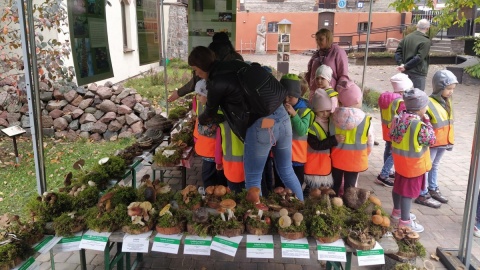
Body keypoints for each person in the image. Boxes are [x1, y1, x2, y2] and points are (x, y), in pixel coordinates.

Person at [188, 46, 304, 201]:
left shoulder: (216, 82)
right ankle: (301, 209)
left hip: (262, 124)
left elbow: (210, 112)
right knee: (286, 170)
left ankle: (257, 220)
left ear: (202, 66)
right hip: (282, 116)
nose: (196, 74)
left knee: (253, 179)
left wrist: (200, 119)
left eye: (196, 70)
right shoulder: (237, 65)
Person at [390, 88, 436, 232]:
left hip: (400, 163)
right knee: (408, 193)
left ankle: (397, 212)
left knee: (398, 187)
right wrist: (428, 122)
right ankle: (405, 222)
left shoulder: (398, 119)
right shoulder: (418, 125)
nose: (426, 108)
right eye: (425, 106)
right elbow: (431, 140)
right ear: (419, 109)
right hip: (413, 165)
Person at [415, 70, 457, 208]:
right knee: (427, 166)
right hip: (432, 142)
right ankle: (423, 192)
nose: (451, 92)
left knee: (435, 165)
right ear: (439, 87)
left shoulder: (447, 101)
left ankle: (433, 188)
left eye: (452, 89)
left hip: (443, 141)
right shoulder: (429, 102)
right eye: (448, 88)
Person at [167, 32, 243, 102]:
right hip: (237, 98)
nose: (197, 73)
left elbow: (196, 79)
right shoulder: (237, 57)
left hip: (217, 98)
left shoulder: (211, 58)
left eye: (195, 70)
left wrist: (179, 93)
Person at [330, 80, 373, 195]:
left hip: (337, 157)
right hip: (356, 160)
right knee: (350, 188)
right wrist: (366, 153)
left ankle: (331, 203)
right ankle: (347, 207)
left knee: (334, 184)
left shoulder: (333, 117)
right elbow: (370, 140)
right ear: (357, 100)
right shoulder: (365, 119)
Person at [376, 73, 412, 187]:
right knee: (394, 153)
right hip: (395, 132)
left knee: (388, 149)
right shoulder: (400, 102)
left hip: (386, 130)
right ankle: (384, 174)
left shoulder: (386, 98)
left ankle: (388, 171)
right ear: (402, 91)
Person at [278, 74, 313, 191]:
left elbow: (302, 130)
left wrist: (294, 114)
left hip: (296, 157)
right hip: (280, 155)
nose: (287, 99)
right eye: (284, 96)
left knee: (295, 185)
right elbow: (268, 126)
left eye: (291, 97)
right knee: (280, 186)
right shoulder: (278, 107)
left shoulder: (305, 111)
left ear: (298, 95)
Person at [304, 89, 344, 189]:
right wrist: (334, 140)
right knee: (312, 191)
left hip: (324, 163)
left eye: (327, 110)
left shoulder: (331, 121)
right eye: (322, 111)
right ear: (315, 110)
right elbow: (316, 145)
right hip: (313, 163)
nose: (325, 113)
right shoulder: (312, 124)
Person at [192, 79, 227, 188]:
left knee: (210, 177)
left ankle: (213, 198)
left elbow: (204, 130)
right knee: (215, 176)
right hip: (209, 150)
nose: (197, 97)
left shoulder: (214, 111)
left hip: (212, 151)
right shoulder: (206, 107)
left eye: (199, 94)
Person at [305, 28, 349, 103]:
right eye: (317, 39)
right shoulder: (316, 54)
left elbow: (343, 74)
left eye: (321, 39)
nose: (318, 42)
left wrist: (339, 92)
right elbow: (310, 71)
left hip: (330, 93)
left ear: (328, 38)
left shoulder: (338, 52)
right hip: (315, 92)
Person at [394, 19, 431, 91]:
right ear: (428, 28)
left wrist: (401, 64)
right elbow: (419, 57)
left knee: (405, 94)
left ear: (417, 26)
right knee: (418, 96)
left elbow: (398, 52)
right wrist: (405, 66)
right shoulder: (426, 41)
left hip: (405, 71)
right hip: (418, 72)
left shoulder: (407, 37)